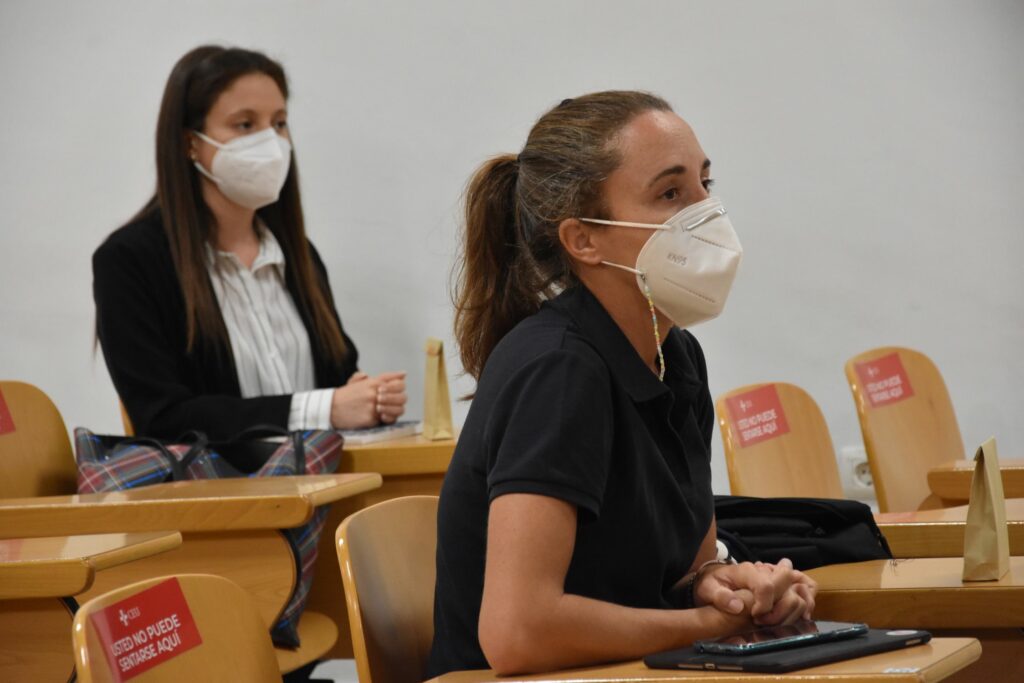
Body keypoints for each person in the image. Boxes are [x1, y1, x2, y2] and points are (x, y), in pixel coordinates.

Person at [430, 91, 817, 676]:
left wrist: (732, 588)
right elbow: (518, 632)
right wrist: (712, 627)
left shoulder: (675, 353)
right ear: (583, 240)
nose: (707, 213)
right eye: (670, 194)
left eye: (705, 184)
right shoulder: (558, 370)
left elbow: (683, 571)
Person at [93, 46, 406, 440]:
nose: (270, 143)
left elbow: (337, 379)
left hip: (322, 473)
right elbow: (163, 417)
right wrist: (323, 408)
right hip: (220, 481)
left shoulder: (298, 256)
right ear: (190, 143)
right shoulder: (130, 261)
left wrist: (368, 397)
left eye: (279, 123)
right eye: (244, 125)